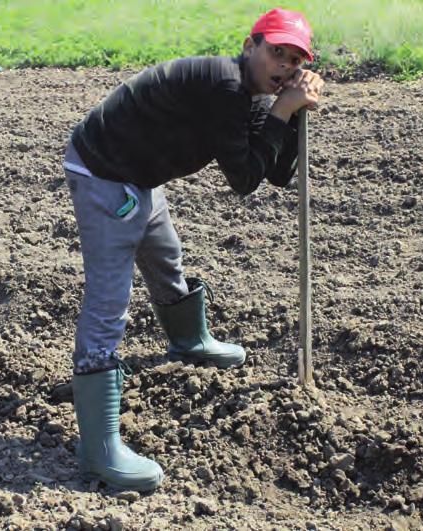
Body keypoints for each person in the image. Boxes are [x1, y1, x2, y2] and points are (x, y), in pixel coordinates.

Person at [62, 7, 325, 492]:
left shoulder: (245, 92)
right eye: (276, 52)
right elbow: (244, 181)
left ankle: (188, 340)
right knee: (109, 303)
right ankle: (98, 450)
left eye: (294, 60)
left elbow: (276, 171)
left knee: (165, 259)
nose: (284, 66)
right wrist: (283, 111)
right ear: (250, 46)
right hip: (104, 173)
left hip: (140, 174)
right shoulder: (225, 88)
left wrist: (288, 116)